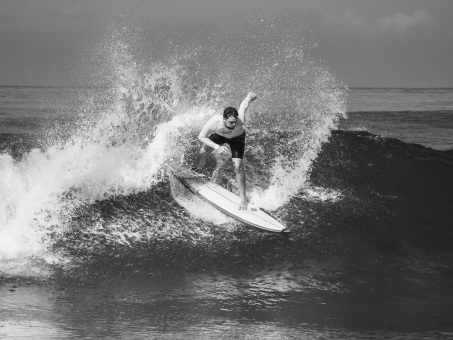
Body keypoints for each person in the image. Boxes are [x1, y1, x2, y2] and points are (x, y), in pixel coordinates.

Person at [197, 92, 257, 210]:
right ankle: (199, 169)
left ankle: (243, 198)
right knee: (201, 153)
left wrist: (248, 98)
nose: (234, 124)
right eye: (231, 122)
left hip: (237, 138)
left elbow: (243, 106)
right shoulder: (214, 122)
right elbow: (201, 137)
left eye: (235, 121)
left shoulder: (240, 121)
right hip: (220, 136)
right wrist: (217, 147)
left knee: (238, 166)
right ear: (224, 119)